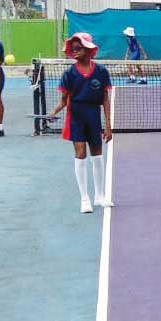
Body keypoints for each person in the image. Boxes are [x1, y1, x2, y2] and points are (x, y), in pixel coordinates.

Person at [45, 32, 114, 214]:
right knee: (80, 153)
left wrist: (108, 125)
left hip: (93, 115)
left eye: (78, 48)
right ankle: (85, 198)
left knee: (97, 154)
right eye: (72, 49)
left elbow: (105, 99)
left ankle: (99, 195)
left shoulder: (101, 71)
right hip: (75, 115)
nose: (75, 51)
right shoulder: (69, 73)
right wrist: (53, 112)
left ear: (88, 50)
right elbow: (63, 100)